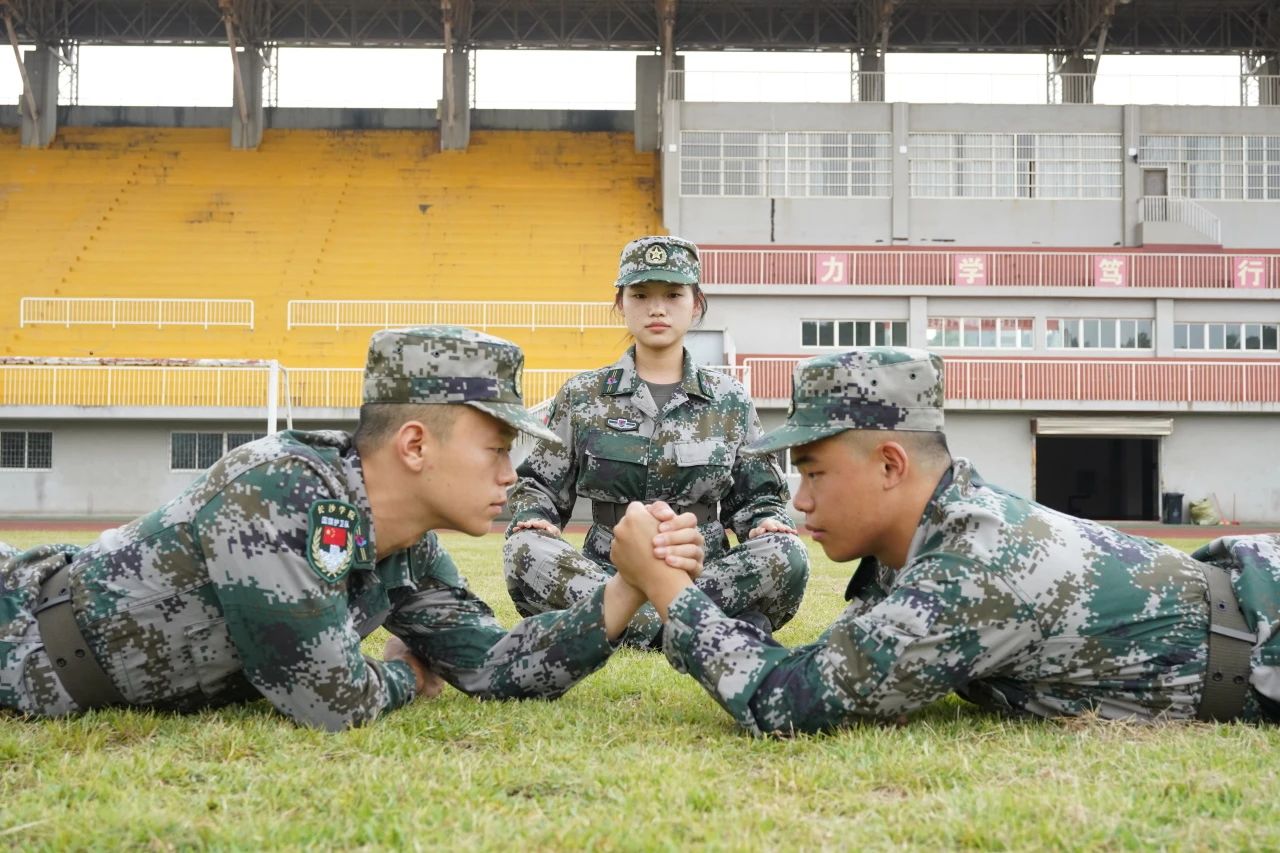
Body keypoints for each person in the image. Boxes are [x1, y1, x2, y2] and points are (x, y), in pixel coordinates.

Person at [0, 326, 704, 731]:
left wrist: (627, 588)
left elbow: (496, 664)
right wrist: (407, 674)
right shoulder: (279, 489)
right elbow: (331, 699)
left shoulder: (411, 548)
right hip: (20, 637)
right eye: (496, 450)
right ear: (415, 445)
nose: (508, 475)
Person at [609, 346, 1280, 734]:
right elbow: (826, 660)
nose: (800, 499)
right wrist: (687, 594)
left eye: (814, 472)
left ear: (890, 465)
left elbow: (786, 699)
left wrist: (665, 586)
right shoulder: (932, 535)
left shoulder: (973, 566)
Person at [503, 235, 810, 646]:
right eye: (641, 295)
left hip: (704, 573)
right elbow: (539, 483)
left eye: (673, 294)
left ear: (696, 303)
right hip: (608, 572)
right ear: (621, 303)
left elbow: (759, 496)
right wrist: (535, 515)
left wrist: (765, 522)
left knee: (786, 553)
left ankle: (617, 626)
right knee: (524, 548)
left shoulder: (729, 398)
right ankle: (698, 625)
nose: (657, 308)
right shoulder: (583, 395)